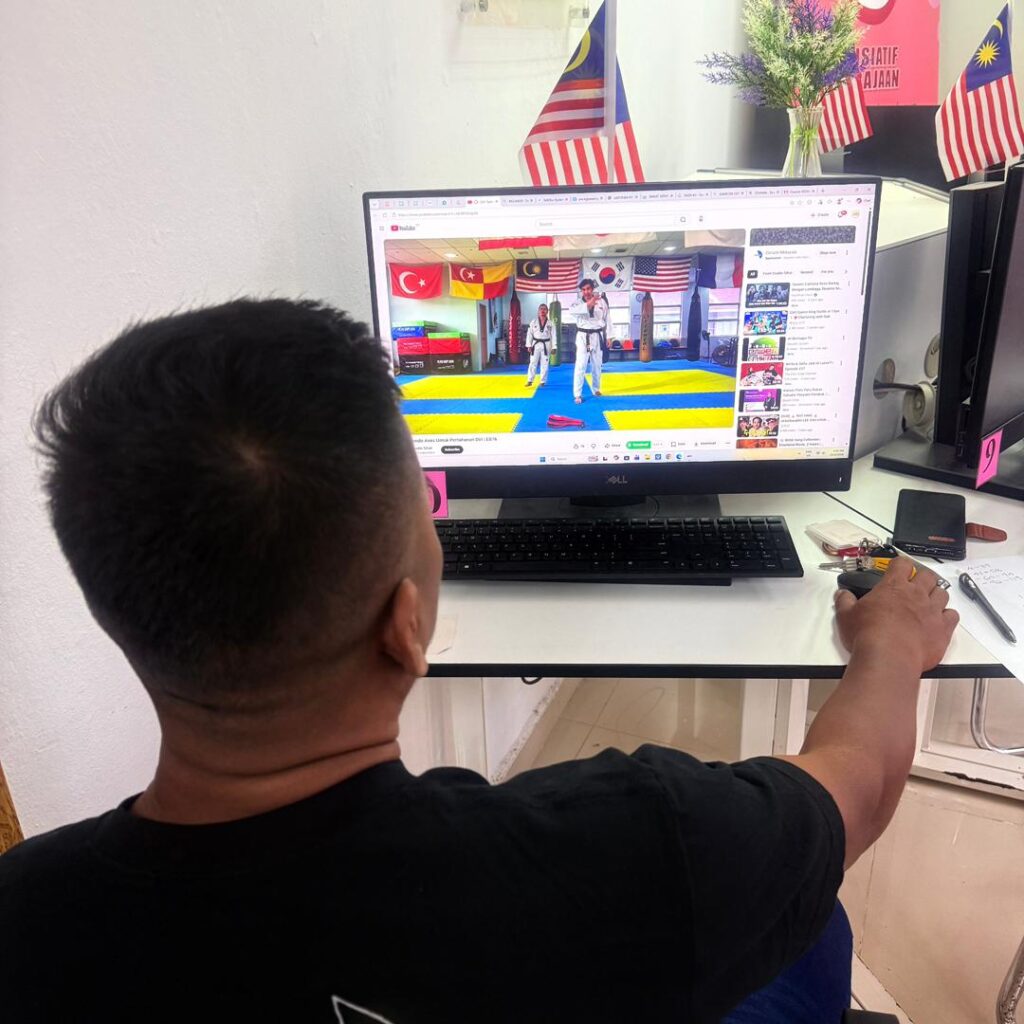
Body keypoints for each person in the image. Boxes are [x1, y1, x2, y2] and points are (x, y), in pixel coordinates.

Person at [0, 298, 958, 1023]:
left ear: (120, 617)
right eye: (428, 504)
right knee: (812, 925)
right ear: (407, 623)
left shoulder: (25, 913)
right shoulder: (646, 850)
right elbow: (857, 786)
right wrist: (891, 643)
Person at [569, 277, 606, 404]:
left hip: (597, 335)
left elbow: (608, 318)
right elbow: (573, 312)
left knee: (597, 365)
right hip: (583, 336)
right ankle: (577, 394)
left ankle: (596, 389)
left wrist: (610, 337)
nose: (586, 291)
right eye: (583, 289)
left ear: (592, 289)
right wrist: (591, 302)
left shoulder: (602, 303)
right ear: (581, 291)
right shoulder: (577, 304)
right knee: (581, 365)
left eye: (588, 289)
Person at [524, 302, 553, 387]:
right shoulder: (533, 322)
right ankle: (530, 380)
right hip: (535, 344)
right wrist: (529, 345)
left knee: (545, 364)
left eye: (544, 309)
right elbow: (529, 334)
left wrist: (554, 347)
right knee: (533, 362)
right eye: (541, 309)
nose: (543, 311)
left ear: (547, 311)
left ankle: (542, 381)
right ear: (538, 311)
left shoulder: (550, 323)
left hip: (546, 344)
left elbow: (553, 335)